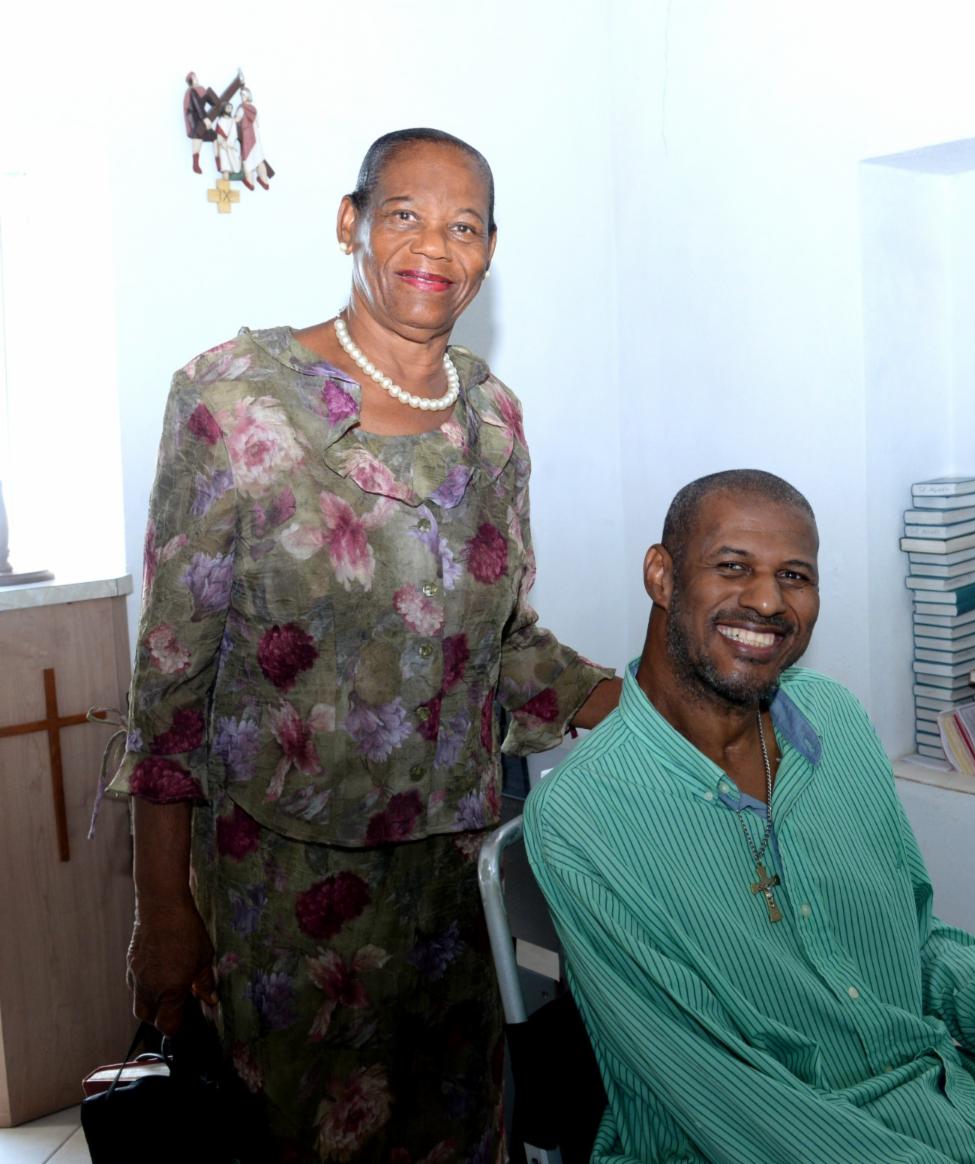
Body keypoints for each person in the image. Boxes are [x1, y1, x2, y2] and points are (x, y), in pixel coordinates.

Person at [115, 127, 620, 1162]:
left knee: (460, 1137)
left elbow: (505, 645)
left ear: (489, 251)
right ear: (349, 223)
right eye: (404, 215)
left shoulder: (493, 420)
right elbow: (170, 684)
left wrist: (652, 712)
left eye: (464, 226)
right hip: (286, 897)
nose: (434, 245)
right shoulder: (233, 400)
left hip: (452, 889)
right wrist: (162, 908)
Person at [525, 469, 975, 1164]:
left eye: (794, 576)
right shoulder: (581, 815)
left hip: (967, 1107)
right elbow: (719, 1096)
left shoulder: (834, 719)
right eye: (733, 567)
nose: (768, 601)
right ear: (662, 577)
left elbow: (916, 940)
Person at [236, 89, 274, 191]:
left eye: (243, 95)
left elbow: (237, 119)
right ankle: (264, 181)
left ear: (248, 96)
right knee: (259, 158)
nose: (242, 97)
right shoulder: (254, 109)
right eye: (241, 95)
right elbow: (257, 123)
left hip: (247, 135)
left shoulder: (242, 108)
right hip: (256, 136)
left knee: (247, 158)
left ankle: (250, 182)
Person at [183, 72, 219, 174]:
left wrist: (210, 94)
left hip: (201, 118)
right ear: (191, 80)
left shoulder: (201, 89)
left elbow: (214, 102)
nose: (196, 78)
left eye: (196, 76)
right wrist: (205, 119)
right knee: (198, 137)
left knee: (214, 136)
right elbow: (197, 106)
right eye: (194, 77)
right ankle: (195, 164)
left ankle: (218, 162)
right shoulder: (192, 91)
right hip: (194, 119)